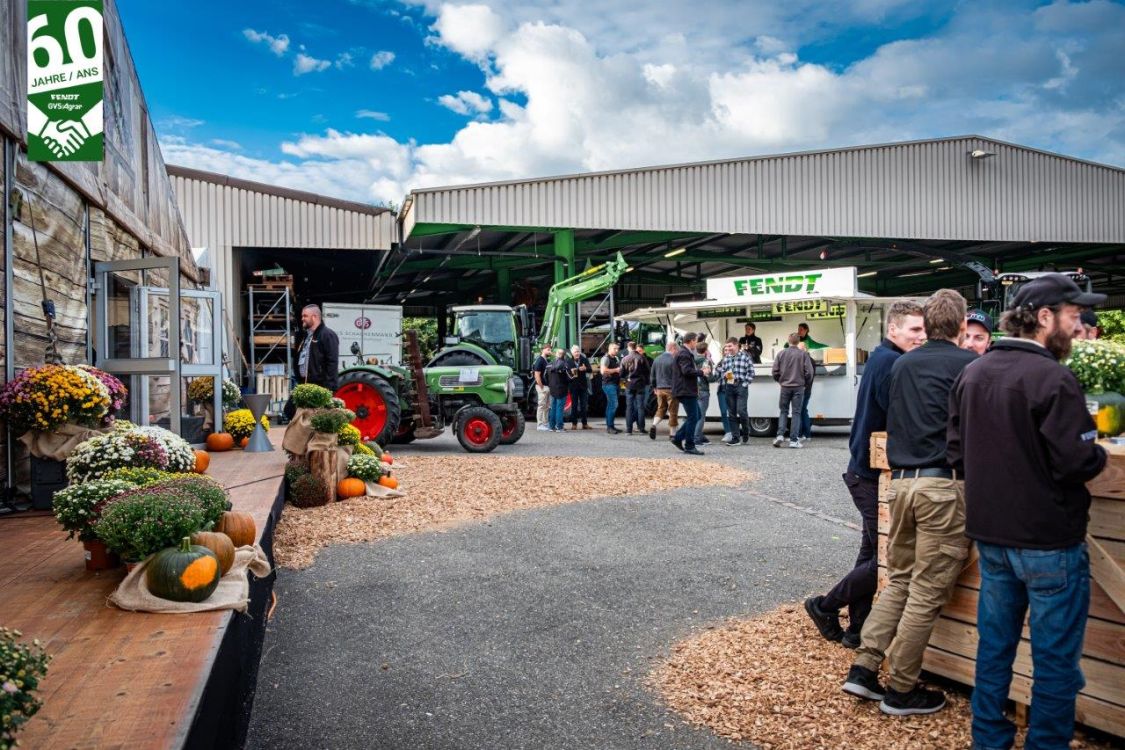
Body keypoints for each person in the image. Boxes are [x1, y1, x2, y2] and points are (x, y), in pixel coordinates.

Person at [948, 274, 1107, 749]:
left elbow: (955, 452)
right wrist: (1097, 451)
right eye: (1073, 316)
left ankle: (989, 740)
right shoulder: (1054, 378)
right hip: (1049, 544)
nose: (1078, 328)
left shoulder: (972, 373)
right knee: (1055, 661)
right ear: (1043, 318)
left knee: (994, 650)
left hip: (992, 541)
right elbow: (1077, 462)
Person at [841, 289, 978, 717]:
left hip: (899, 485)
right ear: (959, 327)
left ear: (928, 324)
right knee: (926, 591)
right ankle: (901, 687)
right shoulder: (971, 367)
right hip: (942, 486)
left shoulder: (900, 365)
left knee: (898, 579)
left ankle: (864, 668)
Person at [804, 300, 925, 649]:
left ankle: (857, 628)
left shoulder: (883, 357)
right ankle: (824, 605)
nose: (921, 337)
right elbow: (900, 416)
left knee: (871, 551)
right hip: (872, 474)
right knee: (884, 560)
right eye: (914, 330)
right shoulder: (893, 363)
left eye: (924, 330)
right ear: (894, 330)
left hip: (864, 469)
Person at [771, 333, 813, 448]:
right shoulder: (803, 354)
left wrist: (780, 381)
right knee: (796, 413)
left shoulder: (781, 354)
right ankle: (794, 440)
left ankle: (780, 435)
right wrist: (805, 383)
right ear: (798, 342)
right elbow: (809, 372)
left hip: (785, 387)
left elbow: (774, 371)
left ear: (788, 341)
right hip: (799, 387)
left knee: (783, 411)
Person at [671, 332, 709, 455]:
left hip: (685, 390)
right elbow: (686, 371)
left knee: (696, 415)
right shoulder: (684, 353)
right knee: (694, 417)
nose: (697, 344)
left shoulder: (684, 352)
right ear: (692, 341)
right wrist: (701, 372)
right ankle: (689, 445)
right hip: (686, 390)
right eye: (696, 341)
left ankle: (677, 438)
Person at [716, 338, 753, 446]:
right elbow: (722, 370)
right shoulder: (726, 358)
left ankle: (746, 431)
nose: (728, 349)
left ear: (737, 345)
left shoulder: (745, 356)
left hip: (741, 385)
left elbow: (751, 372)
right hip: (729, 386)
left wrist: (745, 383)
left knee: (741, 411)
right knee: (731, 413)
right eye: (727, 347)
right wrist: (723, 375)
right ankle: (735, 438)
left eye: (730, 346)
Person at [649, 341, 679, 440]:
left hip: (659, 389)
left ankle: (654, 425)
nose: (677, 352)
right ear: (673, 348)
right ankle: (672, 434)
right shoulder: (674, 360)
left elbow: (652, 376)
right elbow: (677, 376)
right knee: (672, 411)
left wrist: (654, 387)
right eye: (677, 350)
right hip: (671, 390)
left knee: (661, 408)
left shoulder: (656, 359)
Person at [621, 342, 651, 435]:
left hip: (629, 385)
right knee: (640, 407)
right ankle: (641, 429)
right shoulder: (642, 358)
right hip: (640, 385)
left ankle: (629, 430)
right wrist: (646, 382)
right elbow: (647, 371)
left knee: (629, 407)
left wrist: (625, 382)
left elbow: (621, 374)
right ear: (635, 348)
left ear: (629, 348)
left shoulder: (625, 359)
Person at [693, 340, 719, 446]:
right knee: (701, 416)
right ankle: (697, 439)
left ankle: (699, 435)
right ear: (706, 350)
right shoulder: (705, 361)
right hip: (703, 390)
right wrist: (718, 376)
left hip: (694, 390)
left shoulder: (692, 359)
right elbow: (709, 378)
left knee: (696, 415)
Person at [545, 348, 571, 433]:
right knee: (560, 408)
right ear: (563, 355)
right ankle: (559, 427)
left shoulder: (549, 364)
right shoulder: (564, 364)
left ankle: (551, 426)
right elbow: (569, 377)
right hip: (561, 388)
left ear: (556, 354)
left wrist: (549, 384)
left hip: (552, 388)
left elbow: (545, 376)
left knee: (553, 408)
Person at [599, 343, 623, 434]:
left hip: (615, 384)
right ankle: (609, 427)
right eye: (614, 349)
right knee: (614, 404)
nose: (616, 350)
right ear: (609, 349)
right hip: (609, 384)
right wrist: (616, 370)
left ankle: (611, 426)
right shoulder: (605, 358)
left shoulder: (615, 358)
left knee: (611, 405)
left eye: (617, 349)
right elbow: (603, 371)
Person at [568, 345, 591, 430]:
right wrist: (574, 370)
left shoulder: (584, 359)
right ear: (572, 353)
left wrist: (585, 368)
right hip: (573, 386)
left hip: (583, 386)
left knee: (584, 405)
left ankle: (584, 424)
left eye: (578, 351)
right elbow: (567, 372)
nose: (577, 353)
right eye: (575, 352)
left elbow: (590, 369)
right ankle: (574, 424)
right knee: (574, 405)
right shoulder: (569, 361)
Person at [532, 344, 553, 431]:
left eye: (550, 350)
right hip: (542, 386)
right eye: (548, 350)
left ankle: (545, 423)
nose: (549, 351)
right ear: (543, 350)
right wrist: (541, 386)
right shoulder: (540, 360)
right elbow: (537, 374)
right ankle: (540, 424)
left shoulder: (545, 360)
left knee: (546, 406)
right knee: (541, 405)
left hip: (545, 386)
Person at [797, 341, 814, 441]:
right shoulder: (810, 359)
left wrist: (803, 386)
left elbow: (808, 375)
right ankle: (807, 434)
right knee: (803, 410)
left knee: (799, 411)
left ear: (804, 349)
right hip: (807, 389)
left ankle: (800, 435)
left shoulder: (806, 360)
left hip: (803, 389)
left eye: (799, 349)